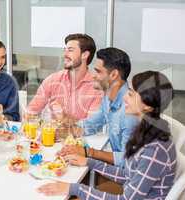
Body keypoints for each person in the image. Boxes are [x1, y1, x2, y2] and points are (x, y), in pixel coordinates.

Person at [38, 71, 176, 200]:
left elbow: (125, 199)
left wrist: (74, 188)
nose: (125, 97)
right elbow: (128, 175)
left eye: (131, 94)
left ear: (147, 107)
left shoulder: (155, 149)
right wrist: (89, 162)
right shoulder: (145, 131)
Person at [58, 47, 139, 167]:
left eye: (98, 71)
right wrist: (66, 129)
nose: (93, 76)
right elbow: (91, 125)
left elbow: (126, 161)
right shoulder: (109, 98)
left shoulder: (129, 112)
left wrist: (88, 152)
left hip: (127, 176)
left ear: (113, 75)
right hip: (117, 167)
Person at [26, 33, 102, 121]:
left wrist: (63, 117)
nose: (65, 54)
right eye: (64, 50)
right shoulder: (53, 80)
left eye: (70, 50)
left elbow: (91, 126)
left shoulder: (97, 87)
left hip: (82, 135)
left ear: (84, 55)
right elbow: (31, 112)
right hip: (52, 134)